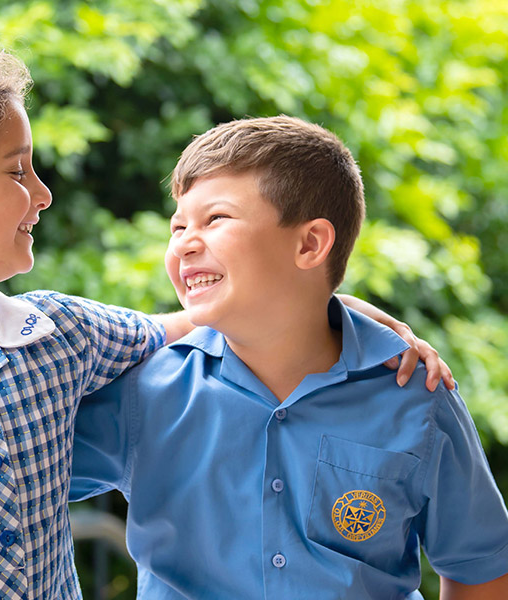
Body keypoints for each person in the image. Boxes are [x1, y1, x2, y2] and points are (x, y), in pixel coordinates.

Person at [0, 31, 450, 600]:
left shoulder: (58, 336)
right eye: (17, 171)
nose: (42, 195)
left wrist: (340, 307)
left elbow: (209, 319)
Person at [70, 116, 508, 599]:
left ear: (310, 243)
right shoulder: (146, 392)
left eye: (215, 219)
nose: (185, 242)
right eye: (178, 225)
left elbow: (479, 568)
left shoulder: (416, 393)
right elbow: (13, 471)